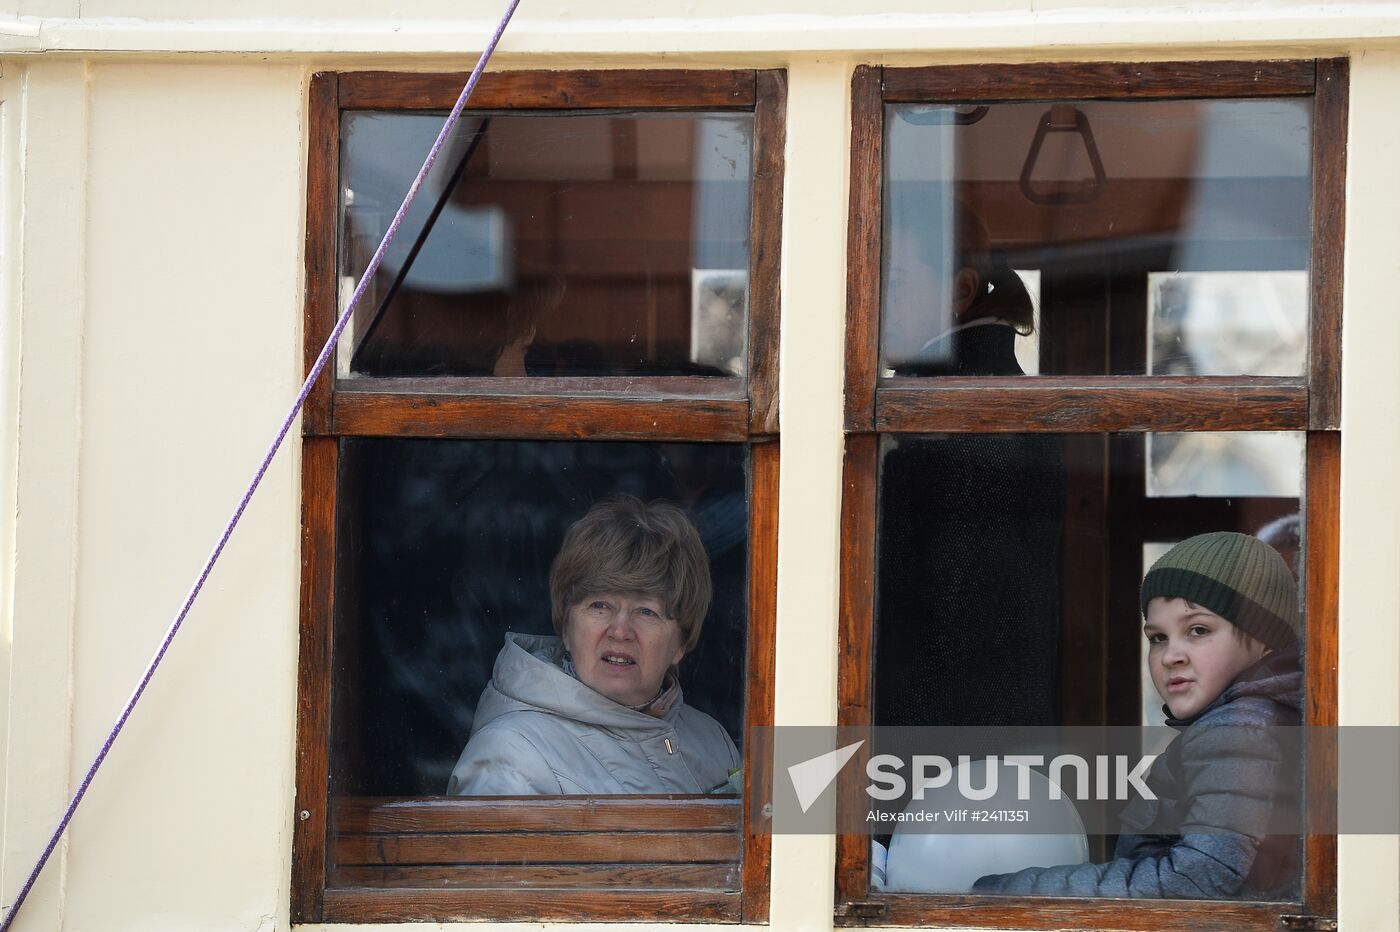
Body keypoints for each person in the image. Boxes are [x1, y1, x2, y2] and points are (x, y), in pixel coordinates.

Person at [973, 531, 1302, 899]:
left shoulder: (1239, 731)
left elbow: (1193, 882)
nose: (1170, 655)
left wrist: (1011, 889)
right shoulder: (1255, 724)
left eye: (1198, 629)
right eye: (1158, 637)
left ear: (1265, 644)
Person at [876, 198, 1063, 728]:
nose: (869, 303)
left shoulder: (956, 415)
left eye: (892, 281)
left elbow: (955, 626)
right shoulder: (974, 395)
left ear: (959, 290)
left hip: (942, 742)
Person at [446, 495, 740, 795]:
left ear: (682, 641)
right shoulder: (510, 759)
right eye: (600, 605)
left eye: (646, 611)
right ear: (566, 627)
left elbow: (789, 829)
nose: (620, 631)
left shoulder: (714, 739)